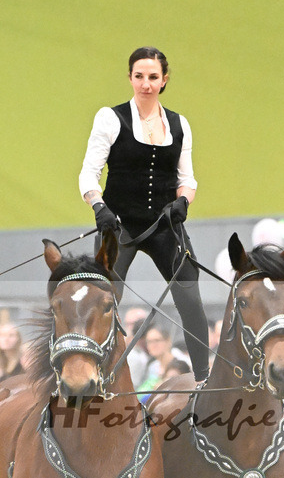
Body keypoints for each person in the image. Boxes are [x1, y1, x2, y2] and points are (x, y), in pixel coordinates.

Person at [79, 46, 209, 382]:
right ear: (130, 78)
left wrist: (184, 202)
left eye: (153, 77)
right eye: (139, 76)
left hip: (164, 226)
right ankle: (95, 375)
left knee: (191, 298)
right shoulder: (110, 117)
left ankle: (204, 378)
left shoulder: (180, 124)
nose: (146, 84)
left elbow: (188, 180)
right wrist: (99, 206)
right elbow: (88, 174)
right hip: (119, 224)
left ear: (164, 80)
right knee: (101, 300)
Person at [0, 323, 25, 392]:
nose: (6, 339)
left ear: (18, 339)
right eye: (3, 335)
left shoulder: (24, 358)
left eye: (11, 335)